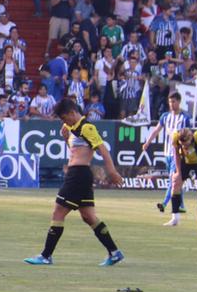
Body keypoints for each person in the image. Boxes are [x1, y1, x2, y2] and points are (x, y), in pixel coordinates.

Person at [26, 98, 125, 266]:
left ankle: (46, 255)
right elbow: (75, 151)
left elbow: (102, 149)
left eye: (65, 118)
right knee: (88, 216)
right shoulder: (70, 128)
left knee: (58, 212)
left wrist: (112, 172)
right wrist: (66, 138)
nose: (63, 122)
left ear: (72, 113)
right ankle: (114, 252)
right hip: (79, 174)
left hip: (78, 175)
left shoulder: (87, 127)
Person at [144, 91, 189, 221]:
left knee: (172, 179)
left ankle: (164, 203)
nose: (171, 104)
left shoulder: (184, 118)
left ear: (179, 102)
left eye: (173, 101)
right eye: (170, 102)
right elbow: (156, 130)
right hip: (167, 154)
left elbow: (188, 135)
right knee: (176, 181)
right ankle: (181, 205)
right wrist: (147, 142)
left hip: (178, 154)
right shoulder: (165, 116)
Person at [175, 127, 197, 227]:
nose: (184, 146)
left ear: (190, 138)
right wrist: (178, 172)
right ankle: (175, 218)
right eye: (182, 144)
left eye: (185, 144)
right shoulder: (175, 137)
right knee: (176, 184)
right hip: (186, 161)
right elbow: (176, 155)